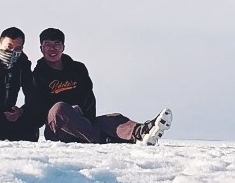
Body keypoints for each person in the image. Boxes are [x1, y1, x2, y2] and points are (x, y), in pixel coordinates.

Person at [28, 27, 171, 145]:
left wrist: (83, 114)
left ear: (63, 47)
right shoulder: (36, 76)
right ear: (41, 48)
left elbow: (88, 97)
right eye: (48, 45)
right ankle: (104, 139)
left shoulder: (78, 69)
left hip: (83, 123)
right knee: (59, 109)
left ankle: (141, 131)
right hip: (58, 130)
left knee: (112, 118)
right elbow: (36, 109)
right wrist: (68, 112)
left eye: (57, 44)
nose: (52, 49)